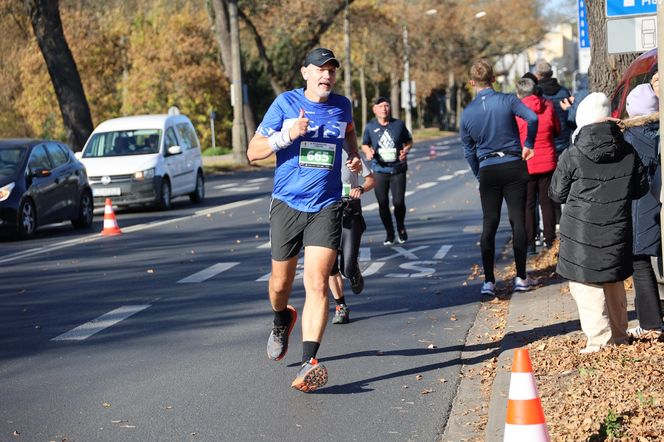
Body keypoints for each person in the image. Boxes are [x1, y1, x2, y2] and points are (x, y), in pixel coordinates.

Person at [246, 47, 362, 392]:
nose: (327, 75)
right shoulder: (284, 104)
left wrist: (353, 157)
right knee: (280, 285)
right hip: (287, 203)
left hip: (326, 204)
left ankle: (310, 361)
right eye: (320, 69)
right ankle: (282, 317)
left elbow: (350, 131)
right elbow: (253, 153)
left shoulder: (343, 105)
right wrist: (288, 135)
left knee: (317, 281)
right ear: (305, 72)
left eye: (332, 71)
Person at [549, 92, 649, 354]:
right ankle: (619, 335)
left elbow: (556, 193)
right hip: (617, 228)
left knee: (586, 286)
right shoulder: (628, 149)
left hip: (581, 233)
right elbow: (640, 189)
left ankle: (599, 342)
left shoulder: (573, 153)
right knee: (613, 281)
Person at [460, 59, 539, 297]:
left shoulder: (467, 114)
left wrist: (479, 175)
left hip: (488, 169)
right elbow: (533, 118)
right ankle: (521, 277)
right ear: (493, 79)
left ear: (472, 82)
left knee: (490, 224)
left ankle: (489, 281)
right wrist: (528, 144)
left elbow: (468, 151)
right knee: (518, 220)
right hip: (514, 165)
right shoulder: (508, 100)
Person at [621, 83, 663, 337]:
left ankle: (650, 323)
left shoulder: (632, 139)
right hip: (655, 203)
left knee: (640, 261)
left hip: (642, 206)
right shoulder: (658, 132)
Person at [329, 149, 375, 324]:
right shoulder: (315, 151)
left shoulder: (349, 154)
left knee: (346, 269)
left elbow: (371, 179)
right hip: (325, 214)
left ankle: (353, 269)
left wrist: (360, 188)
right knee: (330, 266)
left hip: (350, 212)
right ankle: (341, 307)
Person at [515, 77, 560, 254]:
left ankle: (530, 243)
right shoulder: (548, 106)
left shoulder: (517, 111)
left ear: (519, 93)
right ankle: (550, 240)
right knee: (546, 202)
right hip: (547, 159)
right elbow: (557, 129)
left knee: (528, 204)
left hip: (527, 161)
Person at [361, 96, 413, 245]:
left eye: (386, 106)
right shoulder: (370, 126)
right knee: (383, 203)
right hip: (379, 170)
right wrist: (367, 152)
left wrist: (406, 149)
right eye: (381, 106)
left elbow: (408, 141)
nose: (384, 108)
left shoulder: (398, 125)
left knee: (398, 202)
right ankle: (389, 234)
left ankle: (401, 227)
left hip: (397, 169)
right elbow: (364, 144)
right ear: (375, 109)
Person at [534, 60, 572, 155]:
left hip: (545, 139)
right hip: (564, 138)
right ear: (551, 73)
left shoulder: (536, 94)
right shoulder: (564, 91)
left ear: (537, 75)